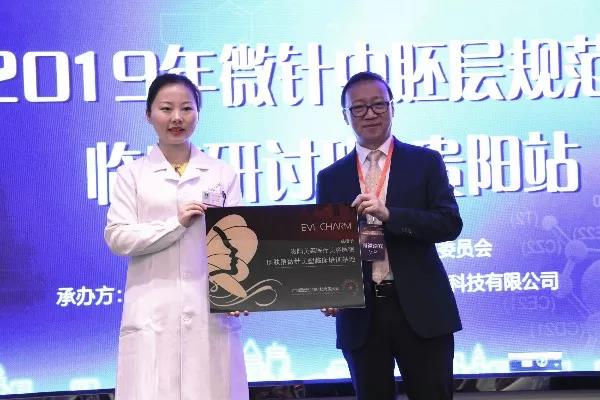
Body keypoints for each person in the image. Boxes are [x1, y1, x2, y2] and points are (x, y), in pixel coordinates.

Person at [317, 71, 463, 400]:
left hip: (422, 309)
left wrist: (390, 215)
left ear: (392, 108)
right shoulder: (331, 177)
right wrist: (327, 288)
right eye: (359, 107)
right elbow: (326, 246)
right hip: (361, 316)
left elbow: (449, 223)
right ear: (345, 115)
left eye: (378, 105)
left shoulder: (425, 162)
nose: (370, 113)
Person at [104, 73, 249, 400]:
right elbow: (118, 237)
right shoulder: (132, 174)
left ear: (198, 113)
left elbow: (237, 240)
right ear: (148, 115)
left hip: (209, 311)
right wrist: (176, 223)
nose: (177, 118)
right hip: (153, 311)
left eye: (186, 108)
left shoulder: (221, 173)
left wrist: (241, 294)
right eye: (166, 108)